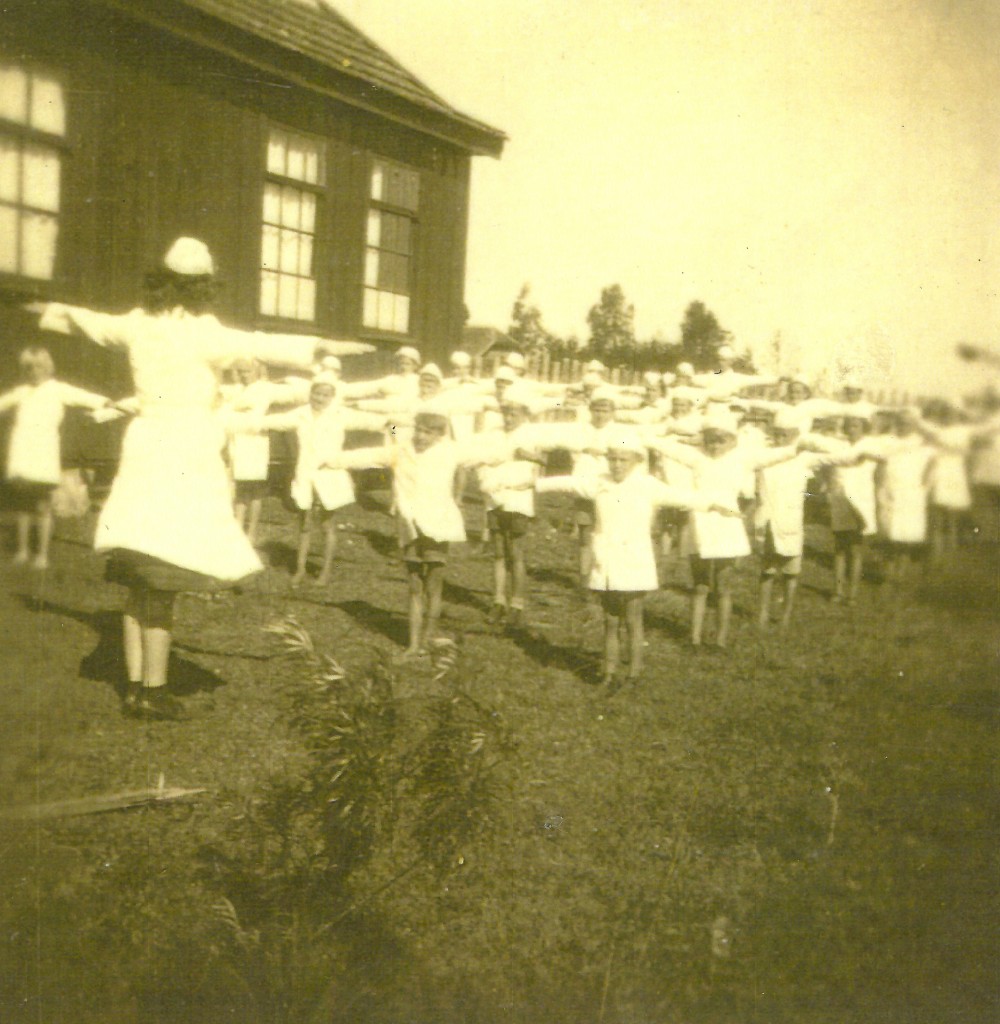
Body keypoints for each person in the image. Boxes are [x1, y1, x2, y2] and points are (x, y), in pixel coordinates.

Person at [30, 237, 349, 719]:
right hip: (184, 451)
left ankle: (138, 688)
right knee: (164, 577)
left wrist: (41, 307)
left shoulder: (137, 325)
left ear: (160, 283)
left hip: (144, 446)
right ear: (203, 288)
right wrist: (321, 346)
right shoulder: (204, 332)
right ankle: (153, 691)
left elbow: (84, 321)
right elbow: (258, 344)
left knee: (141, 578)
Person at [535, 428, 727, 686]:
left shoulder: (646, 485)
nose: (616, 465)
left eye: (622, 460)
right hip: (606, 559)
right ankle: (609, 672)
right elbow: (569, 482)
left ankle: (634, 673)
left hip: (634, 561)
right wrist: (536, 483)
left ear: (636, 461)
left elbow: (682, 497)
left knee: (633, 619)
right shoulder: (599, 482)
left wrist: (713, 504)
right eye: (612, 459)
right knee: (610, 621)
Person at [653, 410, 800, 647]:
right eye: (710, 439)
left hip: (727, 527)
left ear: (732, 440)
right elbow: (667, 448)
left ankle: (720, 639)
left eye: (721, 439)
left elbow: (776, 455)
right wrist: (648, 435)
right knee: (700, 586)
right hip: (700, 524)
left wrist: (800, 448)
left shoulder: (743, 458)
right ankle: (694, 637)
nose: (714, 445)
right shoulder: (697, 457)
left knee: (723, 587)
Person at [330, 408, 469, 659]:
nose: (421, 436)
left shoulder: (449, 452)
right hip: (409, 526)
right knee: (414, 585)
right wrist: (331, 460)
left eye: (428, 432)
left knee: (434, 586)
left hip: (438, 526)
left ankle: (428, 640)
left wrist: (514, 452)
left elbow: (490, 452)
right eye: (419, 430)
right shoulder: (401, 450)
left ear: (439, 435)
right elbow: (367, 456)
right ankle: (414, 645)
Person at [255, 373, 382, 587]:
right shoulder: (300, 414)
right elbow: (274, 421)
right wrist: (248, 422)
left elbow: (377, 423)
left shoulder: (341, 414)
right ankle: (300, 569)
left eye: (325, 395)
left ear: (332, 397)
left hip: (329, 475)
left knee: (326, 524)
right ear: (310, 393)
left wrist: (396, 433)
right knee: (304, 524)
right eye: (316, 393)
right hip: (305, 474)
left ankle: (325, 572)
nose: (320, 398)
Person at [0, 346, 109, 568]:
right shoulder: (22, 391)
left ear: (48, 367)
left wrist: (105, 403)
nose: (34, 371)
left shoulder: (58, 389)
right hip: (22, 453)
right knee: (23, 505)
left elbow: (84, 397)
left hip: (43, 454)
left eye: (39, 366)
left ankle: (42, 554)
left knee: (43, 505)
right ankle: (22, 551)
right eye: (29, 367)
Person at [466, 385, 548, 628]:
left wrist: (529, 457)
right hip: (496, 498)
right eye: (506, 413)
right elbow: (481, 460)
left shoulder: (532, 434)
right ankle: (498, 600)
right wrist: (486, 481)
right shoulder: (495, 434)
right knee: (499, 553)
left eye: (515, 413)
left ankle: (517, 603)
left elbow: (542, 463)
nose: (510, 418)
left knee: (516, 553)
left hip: (518, 500)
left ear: (525, 413)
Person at [219, 358, 282, 545]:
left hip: (255, 442)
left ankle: (252, 530)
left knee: (254, 489)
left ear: (257, 371)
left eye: (247, 371)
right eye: (241, 371)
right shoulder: (238, 389)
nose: (244, 375)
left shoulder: (264, 388)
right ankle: (238, 526)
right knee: (239, 486)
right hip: (238, 441)